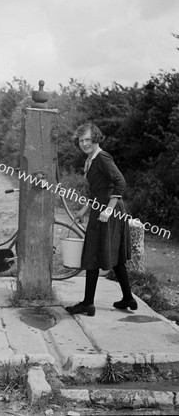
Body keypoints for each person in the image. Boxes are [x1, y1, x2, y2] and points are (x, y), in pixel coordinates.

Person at [65, 123, 137, 317]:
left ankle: (88, 303)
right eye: (81, 140)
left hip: (109, 211)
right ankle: (128, 298)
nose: (84, 143)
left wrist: (108, 210)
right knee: (112, 253)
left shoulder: (102, 158)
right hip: (101, 208)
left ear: (96, 138)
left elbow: (120, 183)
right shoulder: (91, 159)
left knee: (93, 253)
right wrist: (83, 210)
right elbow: (96, 190)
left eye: (88, 139)